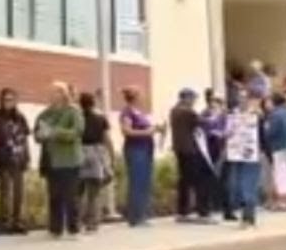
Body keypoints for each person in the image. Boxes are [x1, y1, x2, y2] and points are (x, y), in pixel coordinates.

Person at [36, 83, 84, 239]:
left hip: (69, 159)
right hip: (51, 159)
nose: (52, 95)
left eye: (56, 92)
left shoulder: (73, 112)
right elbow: (37, 132)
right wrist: (40, 135)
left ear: (64, 94)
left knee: (71, 196)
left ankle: (73, 228)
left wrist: (54, 132)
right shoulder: (45, 114)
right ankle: (55, 229)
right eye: (50, 92)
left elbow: (76, 132)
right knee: (54, 195)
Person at [0, 88, 30, 234]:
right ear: (1, 100)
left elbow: (25, 139)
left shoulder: (20, 117)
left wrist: (27, 157)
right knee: (5, 190)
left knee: (19, 191)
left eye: (11, 99)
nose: (9, 102)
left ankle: (18, 221)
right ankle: (4, 220)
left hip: (18, 158)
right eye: (6, 99)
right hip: (3, 158)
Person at [170, 88, 213, 223]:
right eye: (193, 99)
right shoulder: (187, 112)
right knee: (200, 180)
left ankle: (182, 211)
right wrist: (215, 116)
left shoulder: (174, 110)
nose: (194, 101)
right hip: (190, 150)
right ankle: (203, 213)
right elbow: (205, 122)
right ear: (186, 98)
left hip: (179, 149)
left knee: (184, 180)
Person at [119, 87, 160, 227]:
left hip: (146, 149)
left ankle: (142, 214)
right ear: (135, 97)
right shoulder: (128, 112)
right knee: (136, 182)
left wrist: (156, 129)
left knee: (144, 182)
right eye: (140, 95)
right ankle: (135, 217)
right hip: (136, 149)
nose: (143, 97)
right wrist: (147, 132)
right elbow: (127, 131)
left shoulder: (140, 113)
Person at [224, 90, 262, 228]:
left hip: (252, 155)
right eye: (240, 98)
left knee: (248, 186)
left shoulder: (256, 115)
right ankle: (246, 215)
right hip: (236, 155)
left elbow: (263, 133)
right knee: (237, 186)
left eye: (245, 98)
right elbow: (226, 133)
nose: (242, 101)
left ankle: (248, 217)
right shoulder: (232, 115)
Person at [77, 92, 112, 233]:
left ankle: (77, 222)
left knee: (78, 191)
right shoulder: (101, 119)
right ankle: (92, 223)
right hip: (96, 154)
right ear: (93, 103)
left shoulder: (77, 118)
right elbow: (106, 139)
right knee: (94, 192)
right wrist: (110, 158)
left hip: (79, 153)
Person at [200, 93, 233, 221]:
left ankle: (227, 210)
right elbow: (201, 130)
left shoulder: (226, 116)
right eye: (213, 102)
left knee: (225, 180)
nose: (215, 105)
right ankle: (211, 206)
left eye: (218, 102)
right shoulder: (204, 115)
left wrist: (224, 134)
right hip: (209, 151)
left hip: (223, 150)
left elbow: (230, 130)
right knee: (210, 179)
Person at [265, 93, 286, 210]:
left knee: (281, 173)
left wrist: (266, 135)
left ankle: (283, 201)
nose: (267, 104)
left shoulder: (275, 114)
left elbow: (271, 132)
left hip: (279, 146)